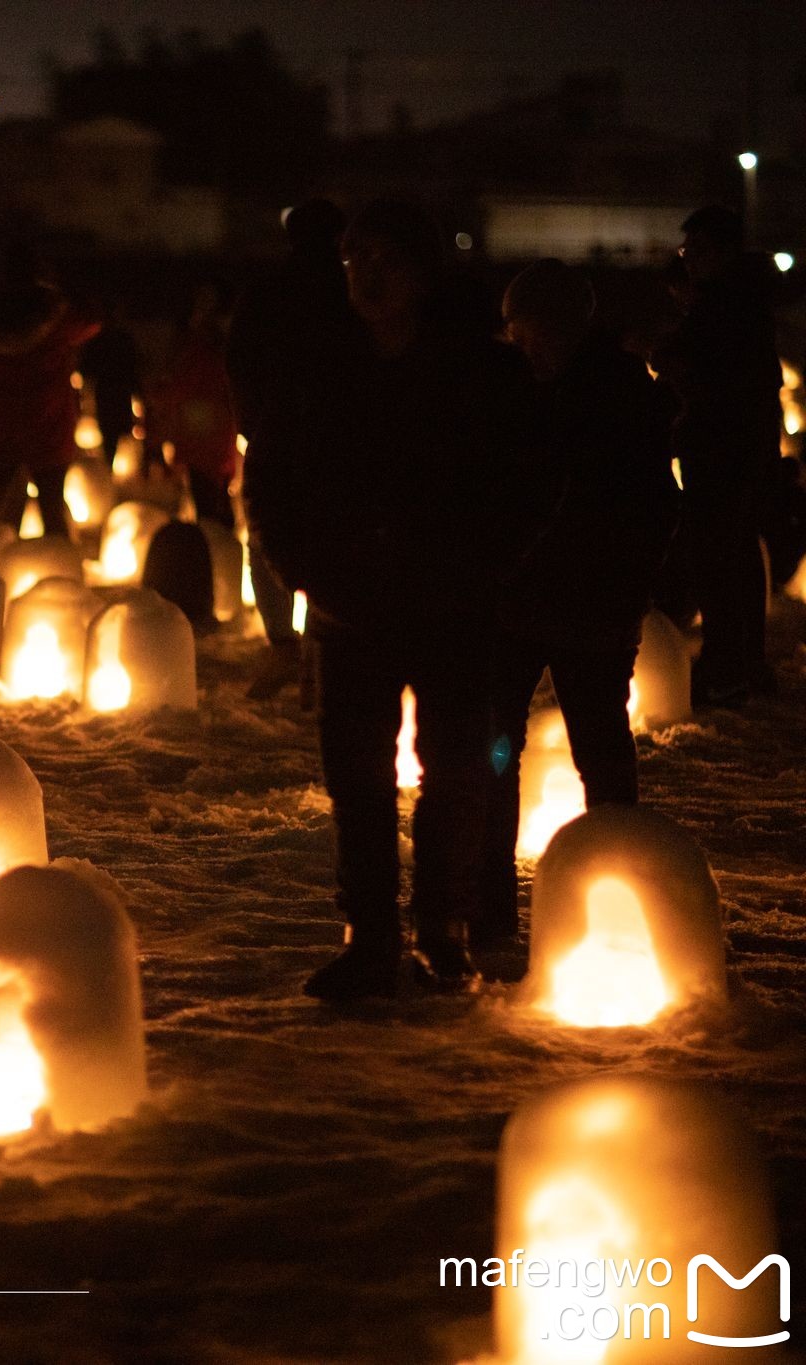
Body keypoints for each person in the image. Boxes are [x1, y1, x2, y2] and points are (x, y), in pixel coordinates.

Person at [247, 201, 542, 1000]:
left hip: (455, 606)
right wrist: (307, 572)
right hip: (353, 608)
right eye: (355, 261)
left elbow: (527, 482)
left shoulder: (481, 370)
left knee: (458, 770)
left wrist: (486, 568)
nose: (369, 276)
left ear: (422, 271)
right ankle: (370, 932)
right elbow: (270, 482)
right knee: (359, 777)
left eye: (386, 259)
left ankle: (442, 927)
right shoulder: (317, 369)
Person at [476, 259, 678, 945]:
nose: (526, 345)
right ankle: (490, 911)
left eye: (536, 332)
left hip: (592, 609)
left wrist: (629, 588)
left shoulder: (621, 396)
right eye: (516, 333)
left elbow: (654, 507)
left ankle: (619, 902)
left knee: (602, 754)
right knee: (493, 750)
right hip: (512, 603)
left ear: (569, 328)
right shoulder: (508, 393)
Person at [651, 205, 782, 707]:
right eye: (686, 253)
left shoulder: (726, 306)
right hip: (738, 448)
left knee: (716, 558)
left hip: (723, 449)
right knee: (735, 555)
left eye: (698, 252)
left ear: (724, 253)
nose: (690, 264)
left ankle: (727, 667)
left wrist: (671, 360)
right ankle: (744, 662)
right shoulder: (741, 301)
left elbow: (714, 372)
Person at [229, 199, 354, 697]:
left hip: (276, 433)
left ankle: (283, 645)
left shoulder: (266, 292)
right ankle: (316, 657)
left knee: (267, 538)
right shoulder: (348, 291)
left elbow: (239, 360)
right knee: (331, 541)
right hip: (338, 435)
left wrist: (251, 423)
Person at [0, 248, 101, 557]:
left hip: (0, 428)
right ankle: (63, 579)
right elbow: (92, 320)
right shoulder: (57, 319)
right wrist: (62, 287)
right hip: (47, 428)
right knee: (52, 510)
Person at [151, 280, 241, 527]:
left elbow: (182, 386)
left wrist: (161, 395)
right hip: (217, 435)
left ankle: (216, 550)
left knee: (207, 501)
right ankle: (223, 547)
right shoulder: (221, 346)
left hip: (202, 439)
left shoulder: (200, 349)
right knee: (217, 494)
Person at [77, 300, 141, 464]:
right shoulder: (116, 339)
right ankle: (111, 465)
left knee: (115, 433)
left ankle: (114, 464)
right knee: (113, 432)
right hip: (112, 392)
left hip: (112, 392)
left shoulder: (107, 340)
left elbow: (86, 369)